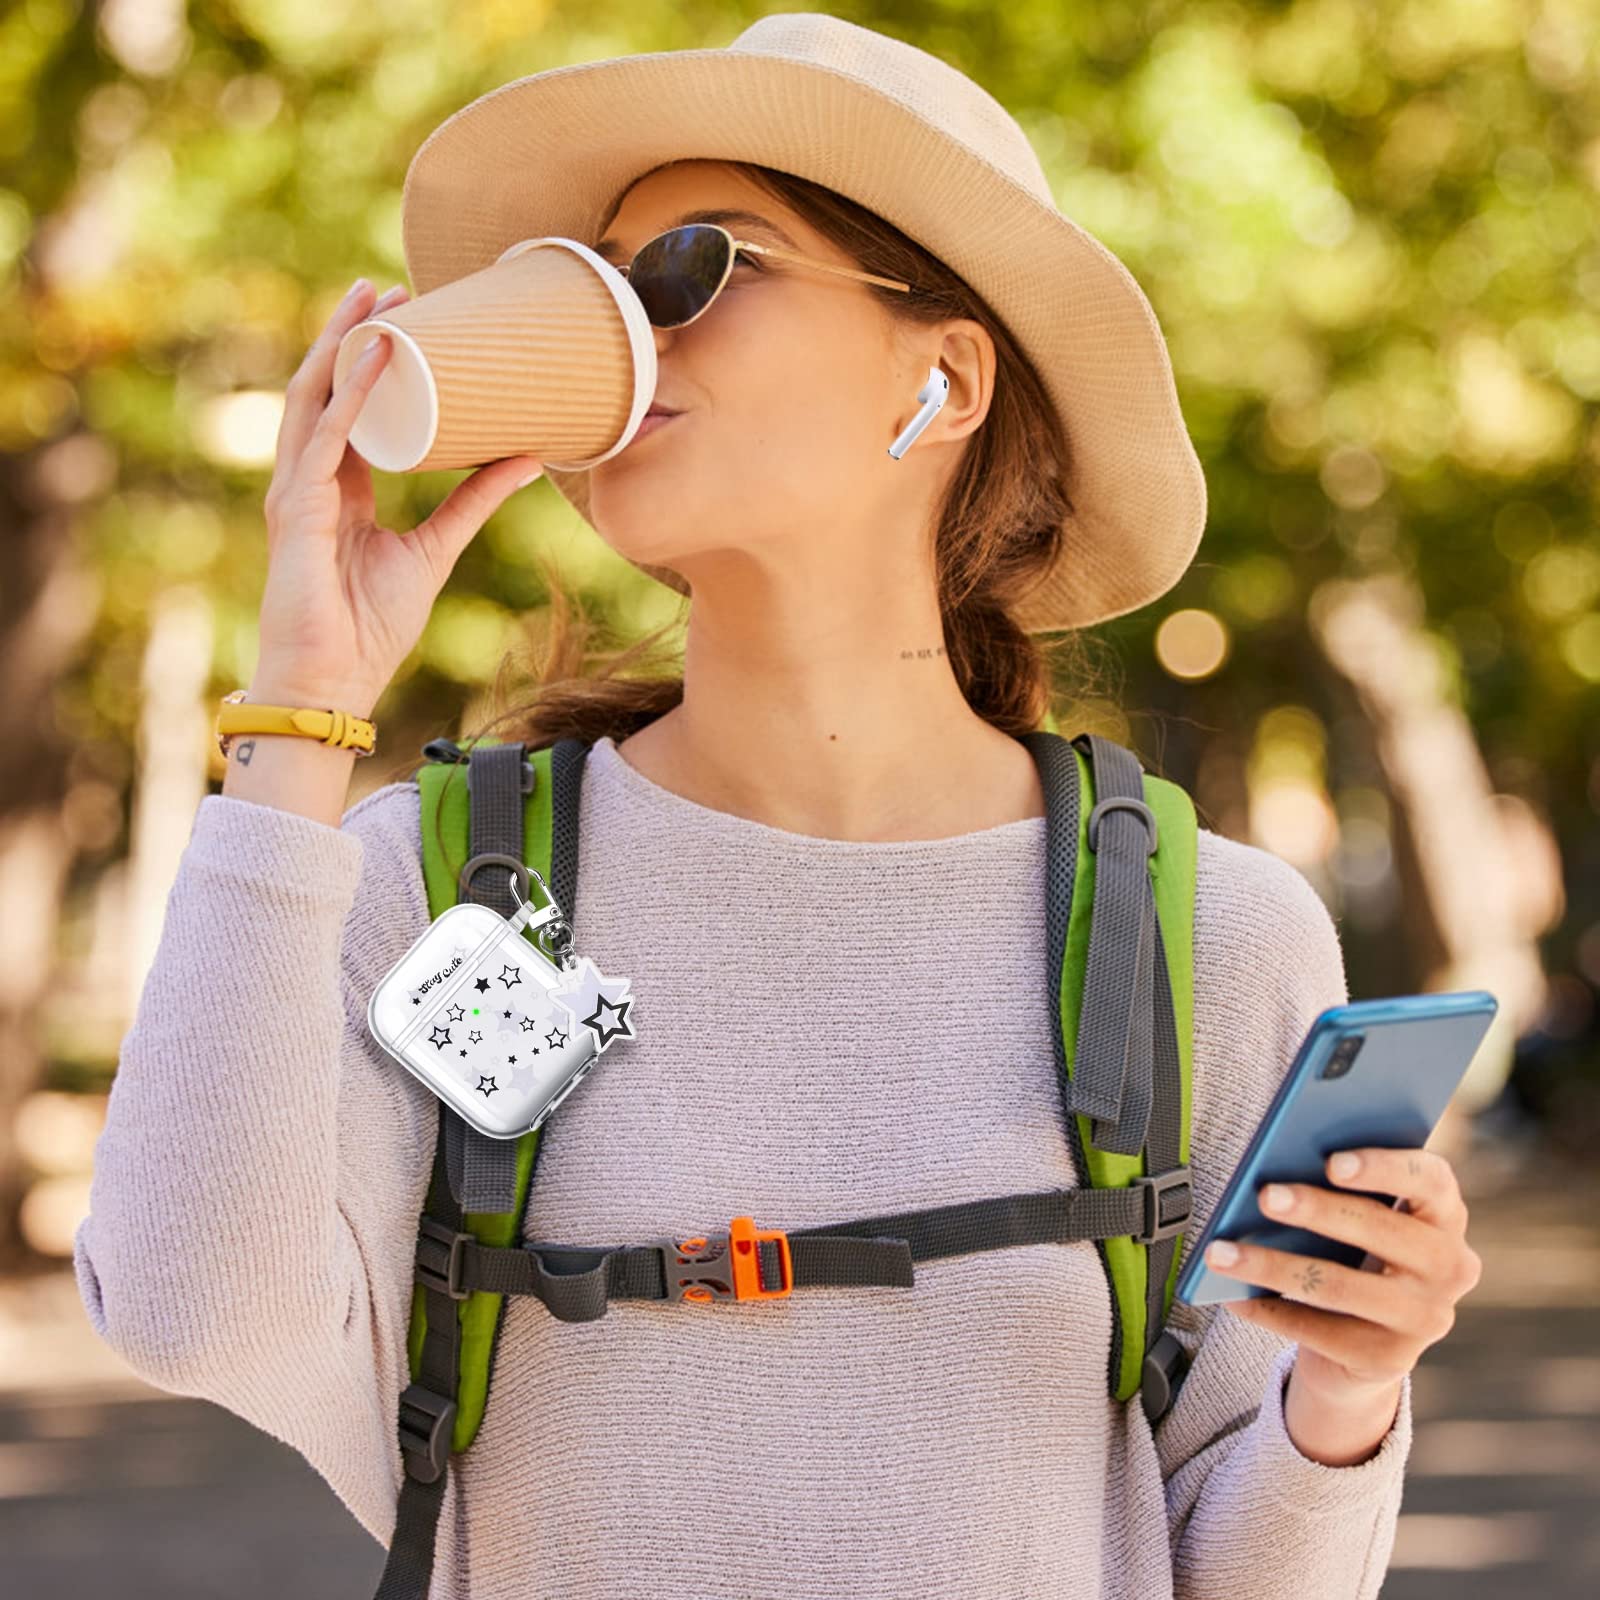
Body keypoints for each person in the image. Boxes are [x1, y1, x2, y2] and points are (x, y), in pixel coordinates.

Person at [74, 15, 1482, 1599]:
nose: (615, 323)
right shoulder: (455, 882)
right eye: (586, 277)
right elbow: (194, 1311)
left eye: (689, 265)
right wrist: (297, 709)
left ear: (941, 376)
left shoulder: (1203, 934)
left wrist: (1348, 1394)